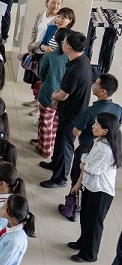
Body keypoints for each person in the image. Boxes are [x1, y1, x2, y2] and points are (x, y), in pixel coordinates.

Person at [41, 31, 92, 189]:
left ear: (68, 47)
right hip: (69, 110)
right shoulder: (81, 60)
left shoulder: (76, 70)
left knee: (65, 145)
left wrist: (53, 95)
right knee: (60, 141)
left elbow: (63, 95)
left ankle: (60, 178)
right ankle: (55, 164)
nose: (61, 44)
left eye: (63, 42)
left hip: (72, 115)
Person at [69, 113, 122, 262]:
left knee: (94, 224)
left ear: (106, 130)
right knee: (86, 218)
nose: (93, 126)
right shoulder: (98, 141)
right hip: (91, 186)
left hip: (101, 192)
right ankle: (83, 242)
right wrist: (79, 181)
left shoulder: (106, 150)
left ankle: (89, 254)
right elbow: (85, 160)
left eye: (97, 124)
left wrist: (83, 165)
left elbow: (91, 169)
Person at [22, 0, 63, 110]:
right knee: (36, 79)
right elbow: (34, 30)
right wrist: (31, 44)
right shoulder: (41, 14)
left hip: (45, 52)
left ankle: (41, 105)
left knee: (43, 79)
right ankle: (36, 100)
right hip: (36, 49)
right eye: (53, 2)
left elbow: (47, 39)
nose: (55, 6)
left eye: (58, 4)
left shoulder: (57, 21)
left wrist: (34, 45)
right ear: (46, 3)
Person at [33, 28, 69, 159]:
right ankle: (50, 144)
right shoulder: (71, 58)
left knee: (45, 123)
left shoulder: (49, 56)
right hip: (64, 95)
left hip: (49, 93)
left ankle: (45, 149)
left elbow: (41, 74)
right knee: (55, 122)